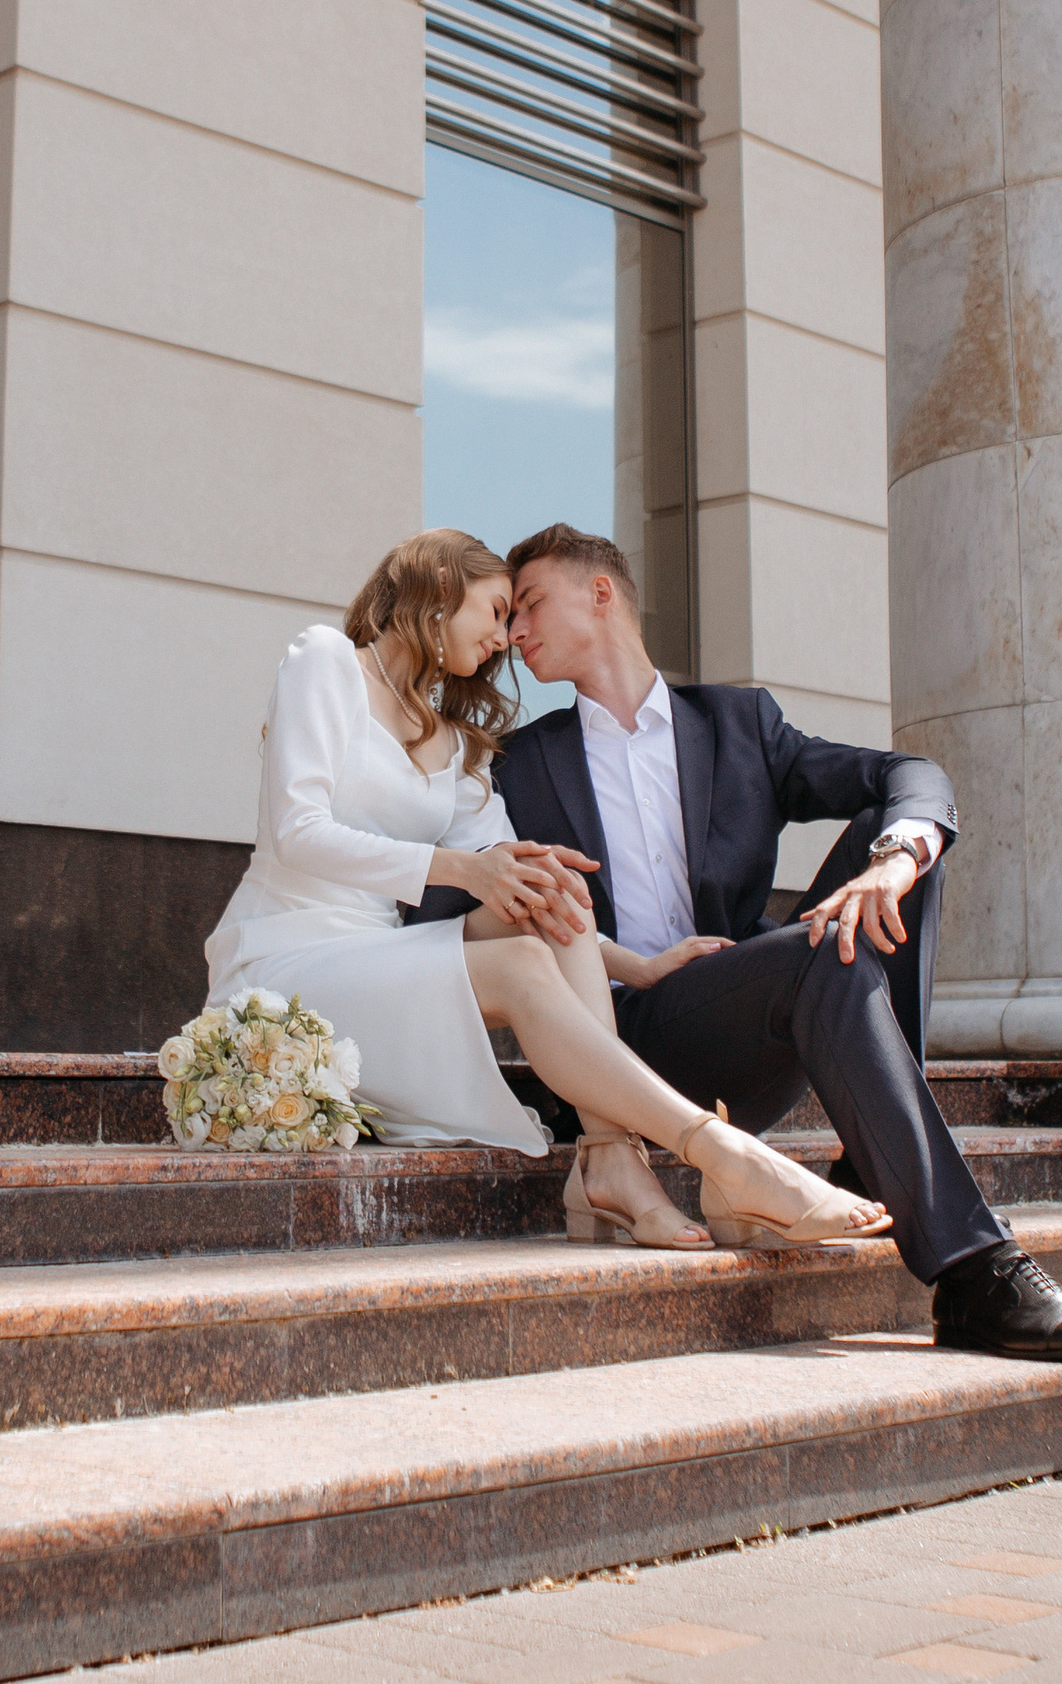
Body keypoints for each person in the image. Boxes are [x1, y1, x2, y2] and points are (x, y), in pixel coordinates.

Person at [493, 523, 1062, 1363]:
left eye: (531, 602)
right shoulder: (519, 763)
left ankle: (876, 1166)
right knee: (817, 946)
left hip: (746, 1024)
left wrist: (895, 863)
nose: (515, 633)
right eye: (508, 620)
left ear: (601, 593)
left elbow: (911, 776)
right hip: (622, 1041)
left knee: (894, 837)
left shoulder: (736, 722)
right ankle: (977, 1272)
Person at [206, 529, 901, 1250]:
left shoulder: (458, 747)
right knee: (518, 959)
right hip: (286, 960)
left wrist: (637, 964)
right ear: (443, 585)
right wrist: (461, 868)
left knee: (549, 887)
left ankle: (610, 1164)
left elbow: (525, 885)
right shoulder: (326, 662)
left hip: (379, 961)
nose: (507, 638)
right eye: (501, 607)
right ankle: (717, 1152)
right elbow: (298, 830)